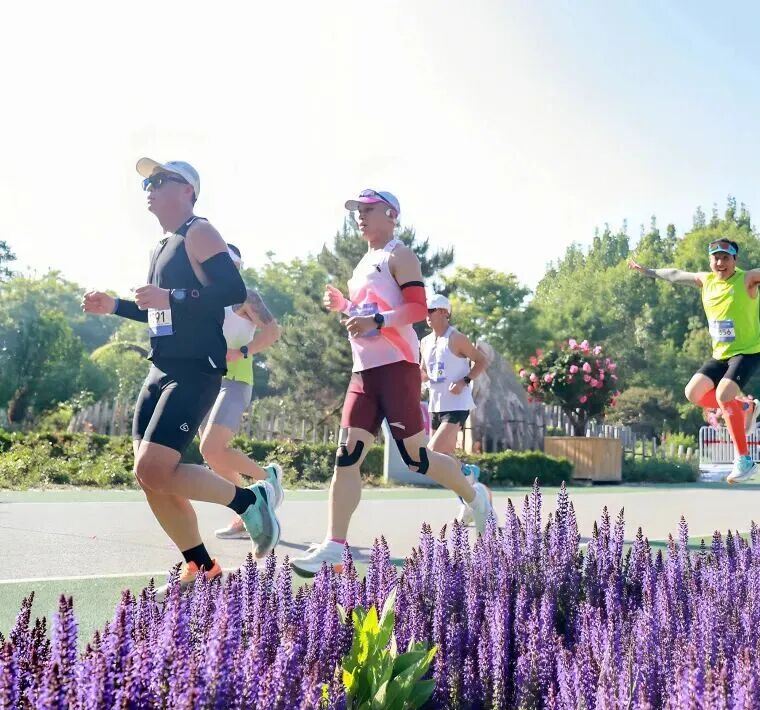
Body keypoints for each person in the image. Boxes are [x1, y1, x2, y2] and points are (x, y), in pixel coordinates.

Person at [81, 158, 280, 592]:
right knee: (149, 476)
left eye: (159, 180)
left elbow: (231, 290)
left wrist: (170, 294)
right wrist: (114, 305)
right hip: (161, 367)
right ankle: (202, 567)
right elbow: (160, 311)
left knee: (156, 468)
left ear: (188, 190)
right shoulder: (162, 246)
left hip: (196, 367)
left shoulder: (199, 232)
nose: (149, 188)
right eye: (146, 183)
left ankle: (250, 500)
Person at [290, 189, 495, 578]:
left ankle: (474, 495)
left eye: (368, 209)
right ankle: (335, 546)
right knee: (347, 455)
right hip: (363, 371)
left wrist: (378, 320)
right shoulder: (362, 264)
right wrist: (344, 307)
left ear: (391, 214)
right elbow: (367, 313)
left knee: (417, 459)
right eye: (357, 211)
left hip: (397, 368)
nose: (360, 216)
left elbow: (416, 309)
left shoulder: (400, 255)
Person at [627, 235, 760, 483]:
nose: (720, 263)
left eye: (725, 258)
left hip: (746, 352)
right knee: (693, 393)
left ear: (734, 260)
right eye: (716, 258)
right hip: (720, 355)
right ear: (710, 260)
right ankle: (745, 407)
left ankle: (744, 460)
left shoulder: (747, 279)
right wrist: (648, 271)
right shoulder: (705, 281)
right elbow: (675, 274)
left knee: (723, 395)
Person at [200, 244, 285, 540]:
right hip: (205, 382)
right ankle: (247, 512)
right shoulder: (204, 297)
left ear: (237, 266)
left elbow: (273, 332)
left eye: (228, 262)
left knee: (210, 448)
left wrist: (242, 351)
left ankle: (268, 479)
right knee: (214, 458)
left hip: (235, 380)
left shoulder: (246, 296)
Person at [419, 293, 492, 526]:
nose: (426, 315)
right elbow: (424, 371)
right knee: (443, 463)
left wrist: (464, 381)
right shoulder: (425, 342)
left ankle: (468, 475)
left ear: (444, 312)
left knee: (432, 453)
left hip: (457, 405)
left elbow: (482, 361)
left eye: (431, 310)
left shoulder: (457, 338)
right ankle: (469, 499)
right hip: (436, 405)